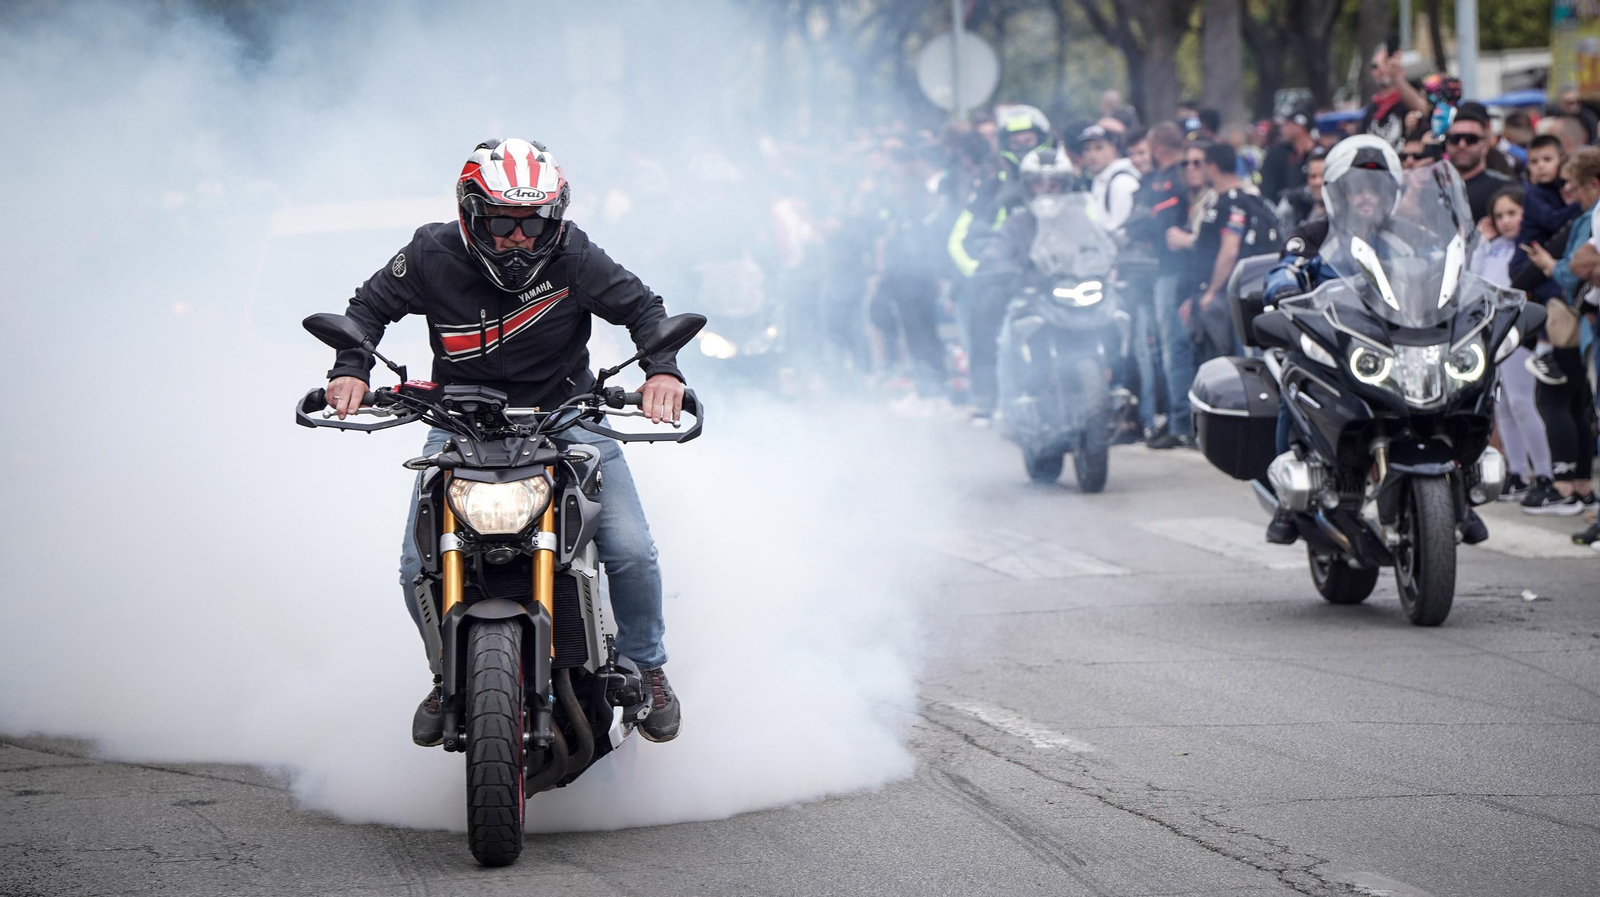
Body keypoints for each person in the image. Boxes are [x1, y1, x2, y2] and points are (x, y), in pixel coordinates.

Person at [323, 138, 686, 746]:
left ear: (554, 219)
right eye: (502, 222)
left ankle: (648, 668)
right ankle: (448, 673)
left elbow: (645, 310)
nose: (519, 237)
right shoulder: (430, 252)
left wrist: (663, 371)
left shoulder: (575, 254)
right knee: (416, 565)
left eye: (532, 223)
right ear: (471, 214)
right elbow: (366, 310)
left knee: (631, 550)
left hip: (566, 416)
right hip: (459, 420)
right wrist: (350, 368)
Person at [1259, 136, 1488, 545]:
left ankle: (1463, 491)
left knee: (1462, 387)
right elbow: (1286, 269)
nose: (1366, 197)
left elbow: (1446, 269)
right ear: (1338, 193)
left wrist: (1470, 294)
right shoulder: (1313, 235)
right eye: (1357, 188)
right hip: (1337, 345)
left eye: (1376, 188)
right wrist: (1284, 289)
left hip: (1402, 341)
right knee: (1294, 381)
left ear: (1390, 193)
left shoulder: (1411, 235)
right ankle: (1286, 500)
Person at [1520, 148, 1600, 519]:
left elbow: (1572, 270)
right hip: (1583, 322)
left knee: (1556, 402)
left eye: (1574, 186)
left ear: (1593, 184)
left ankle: (1566, 487)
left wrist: (1549, 265)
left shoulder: (1590, 217)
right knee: (1580, 404)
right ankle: (1581, 489)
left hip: (1577, 323)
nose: (1569, 194)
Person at [1468, 186, 1552, 501]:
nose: (1505, 221)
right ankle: (1518, 472)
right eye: (1499, 215)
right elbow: (1471, 277)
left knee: (1522, 402)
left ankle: (1545, 472)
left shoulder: (1530, 247)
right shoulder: (1492, 247)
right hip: (1494, 333)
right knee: (1502, 406)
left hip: (1522, 331)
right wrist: (1480, 241)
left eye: (1512, 213)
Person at [1123, 122, 1194, 447]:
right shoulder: (1158, 180)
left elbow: (1159, 224)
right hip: (1157, 274)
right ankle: (1168, 419)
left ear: (1158, 149)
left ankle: (1181, 423)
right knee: (1162, 350)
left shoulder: (1172, 181)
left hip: (1172, 272)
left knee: (1173, 348)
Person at [1183, 142, 1282, 361]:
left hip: (1234, 298)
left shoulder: (1233, 201)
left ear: (1212, 167)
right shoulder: (1247, 199)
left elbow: (1229, 250)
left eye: (1201, 164)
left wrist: (1211, 292)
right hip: (1245, 293)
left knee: (1237, 361)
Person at [1446, 102, 1514, 223]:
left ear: (1485, 146)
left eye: (1471, 139)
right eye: (1455, 139)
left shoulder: (1505, 188)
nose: (1462, 145)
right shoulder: (1435, 187)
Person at [1362, 44, 1430, 148]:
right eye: (1374, 66)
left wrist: (1396, 76)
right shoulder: (1372, 109)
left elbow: (1423, 110)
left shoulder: (1407, 100)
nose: (1380, 70)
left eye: (1385, 62)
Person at [1079, 124, 1141, 229]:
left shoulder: (1122, 182)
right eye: (1087, 149)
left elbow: (1122, 227)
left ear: (1113, 149)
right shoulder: (1101, 179)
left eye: (1099, 148)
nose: (1092, 154)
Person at [1260, 102, 1317, 203]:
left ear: (1298, 127)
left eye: (1287, 124)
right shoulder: (1285, 154)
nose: (1282, 129)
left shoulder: (1319, 154)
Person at [1274, 146, 1327, 230]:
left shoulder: (1344, 206)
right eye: (1313, 176)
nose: (1317, 182)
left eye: (1323, 176)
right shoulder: (1294, 204)